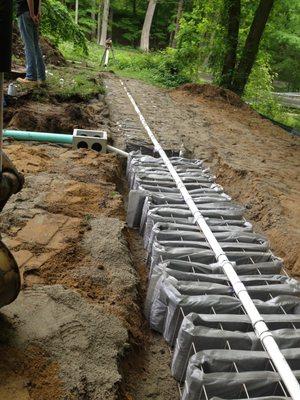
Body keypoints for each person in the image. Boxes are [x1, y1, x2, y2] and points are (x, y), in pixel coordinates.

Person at [16, 0, 46, 86]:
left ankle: (31, 76)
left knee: (29, 45)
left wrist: (32, 14)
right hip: (33, 13)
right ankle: (41, 77)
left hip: (26, 13)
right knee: (35, 46)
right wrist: (38, 12)